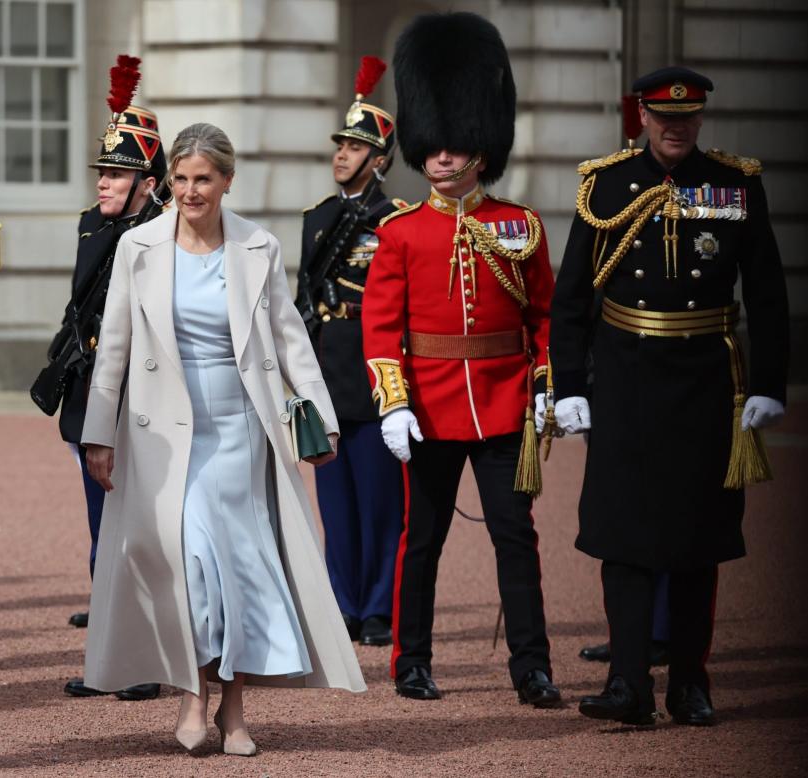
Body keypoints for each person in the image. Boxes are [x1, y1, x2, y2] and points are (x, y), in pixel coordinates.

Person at [81, 122, 365, 757]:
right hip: (162, 432)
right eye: (180, 179)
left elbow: (292, 339)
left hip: (241, 427)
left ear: (226, 180)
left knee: (235, 569)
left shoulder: (257, 247)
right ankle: (192, 697)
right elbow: (116, 347)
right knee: (189, 566)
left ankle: (232, 707)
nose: (189, 191)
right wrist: (99, 433)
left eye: (202, 179)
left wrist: (323, 415)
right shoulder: (138, 246)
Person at [551, 66, 789, 727]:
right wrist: (569, 385)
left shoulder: (734, 183)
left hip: (706, 380)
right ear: (642, 118)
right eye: (663, 116)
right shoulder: (605, 185)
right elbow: (571, 298)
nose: (675, 127)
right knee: (621, 536)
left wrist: (767, 383)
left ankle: (689, 682)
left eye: (685, 118)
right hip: (624, 378)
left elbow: (766, 293)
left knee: (696, 538)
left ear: (699, 120)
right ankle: (627, 684)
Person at [361, 12, 561, 708]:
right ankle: (410, 660)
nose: (442, 158)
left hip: (504, 403)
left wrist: (544, 387)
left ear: (481, 145)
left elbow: (543, 317)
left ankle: (531, 667)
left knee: (515, 539)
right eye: (433, 147)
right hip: (428, 408)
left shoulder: (519, 226)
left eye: (455, 146)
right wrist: (392, 401)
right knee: (421, 543)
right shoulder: (401, 233)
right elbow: (381, 327)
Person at [45, 54, 163, 703]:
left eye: (117, 174)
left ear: (148, 180)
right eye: (103, 172)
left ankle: (143, 656)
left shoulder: (164, 233)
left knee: (138, 532)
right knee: (101, 530)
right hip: (90, 391)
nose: (105, 183)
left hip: (141, 399)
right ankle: (106, 657)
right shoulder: (93, 224)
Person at [295, 55, 407, 647]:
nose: (342, 154)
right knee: (334, 502)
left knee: (380, 502)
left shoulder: (396, 220)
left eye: (355, 147)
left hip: (373, 365)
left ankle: (378, 607)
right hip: (325, 368)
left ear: (379, 159)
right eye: (340, 144)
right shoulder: (317, 220)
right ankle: (342, 601)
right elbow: (301, 300)